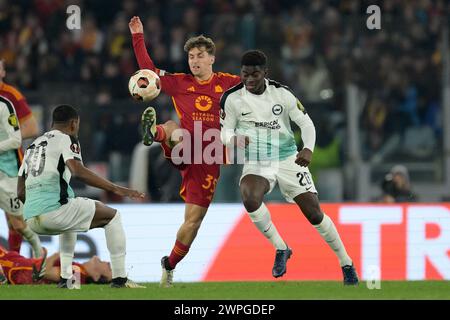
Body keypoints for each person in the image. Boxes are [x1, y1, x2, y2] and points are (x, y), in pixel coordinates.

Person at [220, 50, 358, 285]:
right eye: (245, 75)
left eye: (255, 74)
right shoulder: (232, 98)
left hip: (287, 158)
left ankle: (346, 263)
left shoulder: (282, 94)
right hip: (258, 160)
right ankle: (281, 248)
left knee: (314, 213)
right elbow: (225, 130)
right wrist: (233, 139)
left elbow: (306, 123)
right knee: (249, 197)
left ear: (265, 72)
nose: (249, 79)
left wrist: (308, 149)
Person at [129, 16, 241, 287]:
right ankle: (154, 133)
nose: (194, 61)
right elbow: (149, 72)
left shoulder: (229, 83)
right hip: (184, 147)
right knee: (174, 129)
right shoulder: (180, 82)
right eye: (191, 56)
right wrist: (138, 37)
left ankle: (169, 265)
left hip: (209, 157)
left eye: (200, 56)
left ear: (211, 58)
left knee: (193, 222)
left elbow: (257, 90)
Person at [17, 104, 145, 288]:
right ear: (73, 123)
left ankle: (67, 279)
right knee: (113, 217)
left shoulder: (33, 146)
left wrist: (37, 208)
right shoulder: (67, 139)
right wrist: (117, 189)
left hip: (31, 218)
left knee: (70, 214)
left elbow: (20, 191)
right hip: (53, 213)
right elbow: (77, 171)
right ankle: (120, 279)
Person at [0, 58, 40, 253]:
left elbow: (32, 127)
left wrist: (6, 136)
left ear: (3, 72)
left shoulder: (11, 95)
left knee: (15, 220)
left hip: (10, 166)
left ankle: (14, 260)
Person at [0, 245, 112, 285]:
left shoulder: (77, 274)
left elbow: (45, 273)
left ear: (97, 277)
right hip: (14, 263)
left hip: (11, 267)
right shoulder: (78, 271)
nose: (108, 263)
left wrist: (57, 255)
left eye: (110, 268)